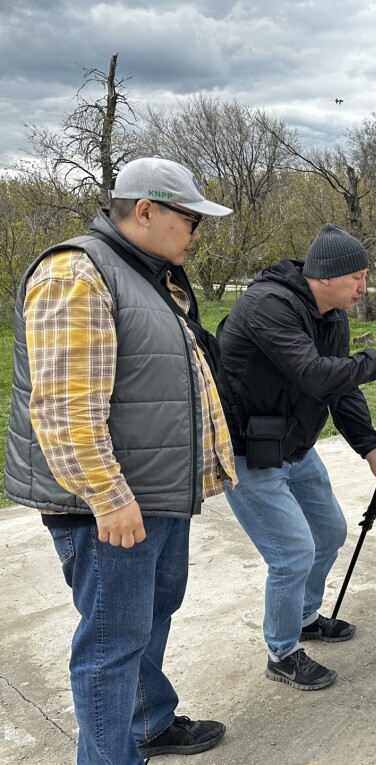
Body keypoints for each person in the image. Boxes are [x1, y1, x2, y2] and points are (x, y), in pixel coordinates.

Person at [4, 158, 237, 763]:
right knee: (110, 648)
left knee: (148, 622)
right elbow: (65, 408)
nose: (196, 234)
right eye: (191, 221)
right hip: (112, 507)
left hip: (155, 497)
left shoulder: (146, 275)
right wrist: (109, 497)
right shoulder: (77, 273)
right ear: (146, 211)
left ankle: (149, 724)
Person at [217, 224, 376, 690]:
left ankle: (304, 617)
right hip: (250, 450)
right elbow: (312, 374)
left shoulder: (332, 316)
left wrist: (371, 448)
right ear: (326, 275)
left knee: (329, 532)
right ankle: (282, 654)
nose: (364, 288)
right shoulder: (268, 305)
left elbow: (340, 387)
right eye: (357, 278)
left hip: (295, 447)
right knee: (292, 553)